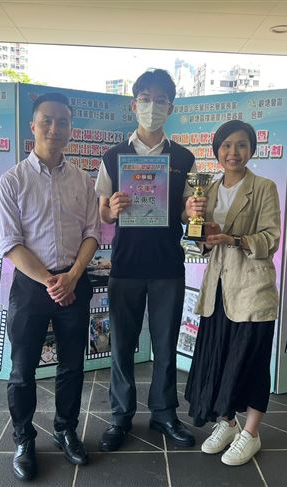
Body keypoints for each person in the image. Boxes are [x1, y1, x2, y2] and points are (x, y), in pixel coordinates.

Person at [95, 69, 202, 451]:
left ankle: (164, 413)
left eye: (160, 101)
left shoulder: (183, 158)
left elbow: (189, 213)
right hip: (125, 265)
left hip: (167, 265)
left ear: (170, 108)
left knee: (165, 345)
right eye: (145, 99)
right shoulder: (113, 157)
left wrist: (192, 210)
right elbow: (103, 213)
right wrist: (112, 208)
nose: (152, 107)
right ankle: (120, 416)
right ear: (133, 104)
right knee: (122, 347)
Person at [0, 92, 100, 481]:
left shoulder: (83, 181)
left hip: (74, 282)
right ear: (33, 126)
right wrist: (50, 282)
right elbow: (11, 243)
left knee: (72, 365)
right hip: (31, 288)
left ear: (71, 128)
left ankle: (66, 430)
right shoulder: (12, 181)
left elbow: (92, 233)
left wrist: (71, 277)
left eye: (63, 122)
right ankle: (24, 439)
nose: (55, 129)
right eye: (47, 121)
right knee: (23, 370)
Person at [184, 120, 281, 466]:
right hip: (218, 290)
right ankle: (226, 423)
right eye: (226, 145)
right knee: (221, 358)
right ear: (217, 150)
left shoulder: (263, 188)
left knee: (251, 363)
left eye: (241, 145)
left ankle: (251, 434)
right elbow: (200, 243)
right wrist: (197, 226)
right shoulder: (208, 189)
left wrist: (233, 239)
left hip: (252, 289)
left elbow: (271, 239)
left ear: (251, 149)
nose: (233, 152)